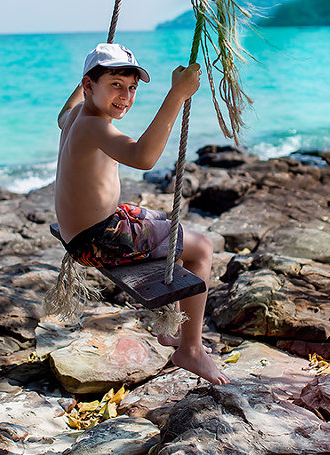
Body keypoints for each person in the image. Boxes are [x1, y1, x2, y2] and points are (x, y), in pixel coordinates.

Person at [54, 42, 229, 386]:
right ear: (90, 86)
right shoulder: (94, 126)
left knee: (165, 223)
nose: (126, 96)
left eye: (132, 87)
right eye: (115, 85)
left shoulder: (73, 116)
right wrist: (176, 95)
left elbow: (65, 108)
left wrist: (85, 84)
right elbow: (144, 157)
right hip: (99, 238)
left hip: (86, 230)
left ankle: (172, 329)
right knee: (202, 248)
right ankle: (190, 349)